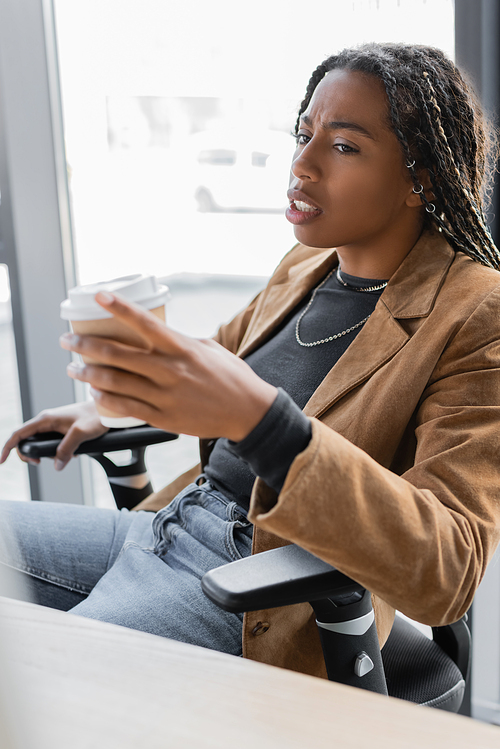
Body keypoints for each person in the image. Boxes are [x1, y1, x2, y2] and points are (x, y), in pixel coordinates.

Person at [1, 42, 500, 679]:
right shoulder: (306, 265)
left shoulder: (476, 315)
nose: (303, 164)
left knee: (40, 685)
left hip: (260, 583)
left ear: (420, 178)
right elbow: (221, 361)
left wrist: (267, 424)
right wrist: (112, 403)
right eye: (304, 133)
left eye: (343, 146)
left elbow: (448, 570)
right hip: (174, 526)